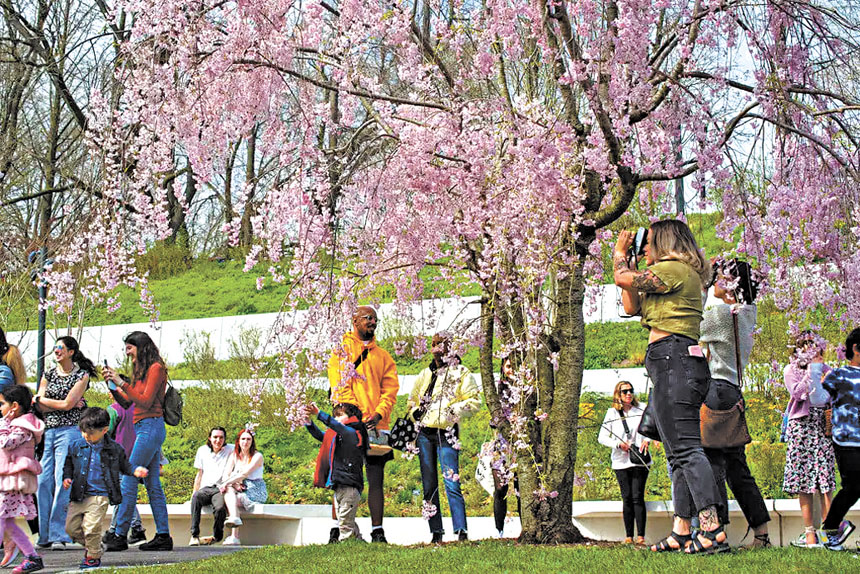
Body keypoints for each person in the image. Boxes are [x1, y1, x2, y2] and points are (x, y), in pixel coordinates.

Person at [614, 219, 727, 554]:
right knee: (678, 454)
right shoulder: (669, 278)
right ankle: (681, 530)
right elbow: (631, 304)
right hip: (674, 363)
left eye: (648, 242)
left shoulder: (675, 269)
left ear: (664, 243)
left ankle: (711, 529)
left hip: (673, 360)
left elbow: (621, 277)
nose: (644, 248)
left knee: (688, 451)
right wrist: (631, 267)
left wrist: (620, 255)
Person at [699, 259, 772, 548]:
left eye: (718, 277)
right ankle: (762, 533)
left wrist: (702, 289)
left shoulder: (720, 315)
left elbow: (691, 327)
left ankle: (716, 533)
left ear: (731, 285)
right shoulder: (748, 313)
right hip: (733, 390)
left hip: (715, 390)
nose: (713, 281)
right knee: (738, 468)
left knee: (712, 464)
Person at [328, 306, 399, 543]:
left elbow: (390, 390)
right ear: (355, 320)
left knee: (376, 478)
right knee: (343, 477)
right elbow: (339, 386)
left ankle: (377, 530)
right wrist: (354, 417)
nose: (373, 322)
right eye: (368, 318)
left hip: (377, 426)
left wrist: (378, 414)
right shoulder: (341, 351)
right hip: (349, 425)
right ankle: (338, 529)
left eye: (375, 319)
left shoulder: (384, 356)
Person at [102, 331, 173, 551]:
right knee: (152, 484)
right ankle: (163, 536)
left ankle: (120, 534)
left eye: (130, 348)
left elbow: (145, 399)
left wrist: (121, 382)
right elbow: (127, 403)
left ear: (141, 347)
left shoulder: (156, 368)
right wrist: (112, 386)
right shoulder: (141, 370)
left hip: (151, 426)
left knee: (129, 478)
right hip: (143, 426)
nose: (127, 353)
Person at [407, 332, 480, 543]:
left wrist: (452, 411)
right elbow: (412, 401)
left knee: (452, 481)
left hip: (447, 433)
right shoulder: (425, 374)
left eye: (442, 344)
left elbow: (474, 401)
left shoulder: (462, 373)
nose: (438, 348)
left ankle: (461, 529)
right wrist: (415, 414)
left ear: (451, 348)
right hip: (425, 433)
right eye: (434, 344)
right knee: (429, 483)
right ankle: (436, 531)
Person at [62, 408, 147, 569]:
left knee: (91, 527)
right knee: (71, 529)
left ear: (104, 430)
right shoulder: (76, 446)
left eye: (90, 433)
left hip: (100, 495)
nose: (86, 436)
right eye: (83, 432)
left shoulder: (114, 448)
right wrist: (67, 477)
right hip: (80, 494)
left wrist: (134, 470)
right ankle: (96, 546)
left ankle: (93, 556)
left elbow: (124, 465)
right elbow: (68, 464)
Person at [33, 336, 94, 550]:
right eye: (55, 347)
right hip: (48, 432)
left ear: (71, 352)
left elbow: (67, 405)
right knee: (42, 482)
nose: (56, 351)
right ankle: (44, 535)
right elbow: (39, 405)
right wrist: (57, 404)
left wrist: (48, 402)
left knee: (62, 480)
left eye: (61, 347)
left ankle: (59, 534)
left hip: (69, 432)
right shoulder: (48, 374)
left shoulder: (81, 375)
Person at [782, 333, 835, 548]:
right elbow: (796, 393)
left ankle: (830, 532)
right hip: (801, 426)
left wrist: (823, 376)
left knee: (826, 478)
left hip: (823, 425)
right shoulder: (790, 370)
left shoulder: (827, 370)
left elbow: (833, 394)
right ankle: (810, 533)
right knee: (802, 479)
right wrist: (810, 373)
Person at [818, 327, 860, 550]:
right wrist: (814, 368)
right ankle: (831, 529)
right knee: (853, 487)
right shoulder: (838, 375)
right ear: (855, 348)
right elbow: (817, 397)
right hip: (847, 441)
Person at [305, 402, 368, 542]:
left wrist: (319, 413)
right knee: (344, 517)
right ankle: (358, 541)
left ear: (352, 417)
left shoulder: (353, 433)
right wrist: (308, 423)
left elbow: (337, 426)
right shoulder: (337, 435)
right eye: (335, 416)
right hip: (339, 482)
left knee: (345, 520)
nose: (337, 419)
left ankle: (346, 543)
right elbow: (322, 436)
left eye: (340, 415)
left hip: (350, 485)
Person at [598, 381, 651, 545]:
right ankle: (629, 535)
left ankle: (641, 536)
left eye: (631, 391)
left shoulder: (641, 409)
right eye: (625, 391)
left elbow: (650, 428)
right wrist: (618, 444)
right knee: (627, 497)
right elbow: (602, 437)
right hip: (621, 460)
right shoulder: (612, 413)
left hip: (639, 459)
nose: (628, 394)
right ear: (618, 395)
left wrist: (647, 440)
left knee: (637, 496)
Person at [0, 385, 45, 573]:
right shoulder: (16, 425)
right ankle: (32, 557)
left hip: (14, 481)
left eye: (2, 404)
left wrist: (3, 424)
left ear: (14, 406)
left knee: (2, 518)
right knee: (6, 521)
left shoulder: (24, 426)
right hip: (8, 479)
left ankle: (31, 556)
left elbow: (6, 443)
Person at [102, 401, 146, 545]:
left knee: (122, 495)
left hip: (119, 458)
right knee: (125, 494)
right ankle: (132, 529)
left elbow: (105, 434)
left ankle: (122, 530)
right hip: (138, 455)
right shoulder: (140, 408)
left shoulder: (114, 410)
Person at [219, 428, 267, 546]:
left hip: (254, 489)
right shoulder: (234, 455)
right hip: (238, 486)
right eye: (243, 439)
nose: (245, 442)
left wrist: (226, 483)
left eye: (248, 439)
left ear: (252, 441)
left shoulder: (257, 456)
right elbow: (226, 473)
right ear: (238, 441)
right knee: (230, 492)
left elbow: (244, 474)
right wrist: (233, 483)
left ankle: (234, 535)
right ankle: (235, 523)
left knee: (233, 499)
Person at [490, 356, 519, 539]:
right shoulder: (498, 390)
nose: (511, 370)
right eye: (508, 366)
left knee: (521, 489)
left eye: (514, 367)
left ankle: (527, 528)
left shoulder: (527, 391)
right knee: (501, 488)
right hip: (502, 445)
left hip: (521, 445)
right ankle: (499, 530)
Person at [189, 427, 233, 546]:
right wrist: (194, 491)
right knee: (196, 498)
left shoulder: (231, 449)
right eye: (215, 437)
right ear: (210, 438)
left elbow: (246, 449)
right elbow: (199, 473)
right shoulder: (202, 451)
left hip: (219, 489)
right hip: (205, 488)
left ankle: (217, 536)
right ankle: (194, 535)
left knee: (220, 509)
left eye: (221, 437)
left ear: (224, 439)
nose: (218, 440)